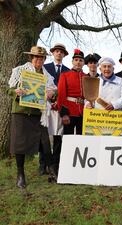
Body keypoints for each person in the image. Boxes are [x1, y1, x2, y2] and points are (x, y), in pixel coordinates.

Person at [7, 46, 57, 188]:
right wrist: (17, 92)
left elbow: (54, 92)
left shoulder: (47, 76)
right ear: (31, 58)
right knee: (20, 145)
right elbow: (9, 89)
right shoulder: (20, 71)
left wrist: (52, 94)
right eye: (36, 57)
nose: (38, 60)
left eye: (41, 58)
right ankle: (20, 174)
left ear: (44, 59)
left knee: (46, 143)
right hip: (22, 112)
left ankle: (53, 172)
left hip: (39, 114)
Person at [42, 43, 70, 176]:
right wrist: (49, 100)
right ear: (53, 53)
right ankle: (43, 164)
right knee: (44, 136)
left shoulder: (67, 70)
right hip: (46, 106)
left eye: (61, 52)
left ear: (64, 55)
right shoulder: (45, 68)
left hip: (60, 108)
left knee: (58, 135)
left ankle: (56, 163)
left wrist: (59, 103)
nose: (59, 53)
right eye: (56, 51)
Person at [57, 49, 86, 135]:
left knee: (82, 139)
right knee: (68, 138)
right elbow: (61, 95)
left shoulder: (87, 77)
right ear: (72, 61)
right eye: (76, 60)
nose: (78, 62)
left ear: (84, 63)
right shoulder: (65, 75)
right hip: (69, 111)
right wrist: (64, 114)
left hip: (84, 111)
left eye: (81, 60)